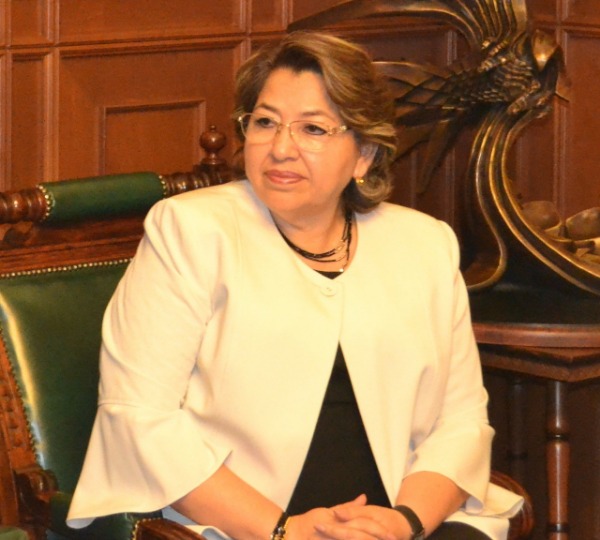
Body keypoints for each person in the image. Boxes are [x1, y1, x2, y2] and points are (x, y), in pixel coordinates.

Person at [67, 31, 523, 540]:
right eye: (265, 122)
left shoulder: (424, 244)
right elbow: (138, 418)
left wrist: (405, 521)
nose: (281, 148)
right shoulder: (190, 231)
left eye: (313, 129)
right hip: (244, 529)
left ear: (365, 153)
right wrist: (283, 530)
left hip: (400, 520)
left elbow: (461, 420)